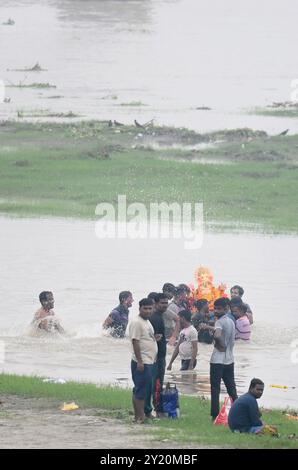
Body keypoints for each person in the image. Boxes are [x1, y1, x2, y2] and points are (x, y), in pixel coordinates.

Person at [129, 298, 158, 424]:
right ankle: (139, 417)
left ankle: (140, 416)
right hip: (142, 362)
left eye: (150, 308)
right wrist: (140, 361)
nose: (148, 311)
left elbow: (144, 338)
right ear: (139, 308)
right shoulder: (137, 322)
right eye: (145, 308)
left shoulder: (147, 322)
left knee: (144, 389)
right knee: (140, 390)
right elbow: (135, 341)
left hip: (149, 361)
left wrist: (154, 338)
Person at [209, 297, 238, 420]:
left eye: (219, 309)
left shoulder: (219, 321)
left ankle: (214, 414)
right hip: (229, 360)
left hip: (217, 360)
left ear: (226, 308)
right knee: (231, 388)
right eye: (215, 308)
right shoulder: (231, 321)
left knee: (215, 388)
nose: (216, 311)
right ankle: (238, 410)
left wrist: (220, 343)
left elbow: (217, 334)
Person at [145, 293, 168, 418]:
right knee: (157, 383)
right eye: (162, 303)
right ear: (156, 303)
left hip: (157, 356)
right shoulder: (156, 318)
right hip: (156, 357)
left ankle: (153, 409)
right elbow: (152, 338)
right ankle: (158, 410)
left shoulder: (158, 316)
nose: (165, 305)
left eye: (166, 302)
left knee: (155, 383)